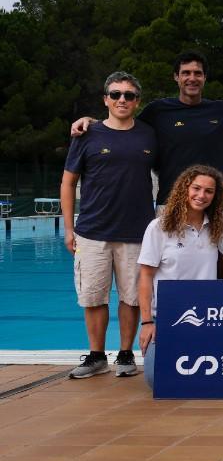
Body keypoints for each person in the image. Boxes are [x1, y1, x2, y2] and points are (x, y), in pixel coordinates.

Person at [60, 72, 157, 378]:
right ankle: (97, 355)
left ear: (137, 101)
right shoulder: (86, 134)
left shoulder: (148, 135)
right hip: (93, 231)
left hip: (136, 231)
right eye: (115, 94)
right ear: (105, 99)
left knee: (131, 297)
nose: (122, 100)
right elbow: (68, 182)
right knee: (93, 297)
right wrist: (68, 228)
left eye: (129, 95)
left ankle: (126, 354)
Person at [71, 52, 223, 206]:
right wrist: (92, 122)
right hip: (170, 203)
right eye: (186, 73)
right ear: (176, 77)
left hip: (211, 205)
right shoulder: (158, 110)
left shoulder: (222, 111)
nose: (192, 78)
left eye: (197, 73)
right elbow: (122, 125)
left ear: (204, 77)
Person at [137, 165, 223, 390]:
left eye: (209, 191)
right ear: (184, 189)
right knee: (156, 381)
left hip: (207, 318)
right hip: (166, 318)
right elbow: (145, 276)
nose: (201, 195)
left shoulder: (217, 229)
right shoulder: (159, 227)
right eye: (196, 188)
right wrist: (147, 322)